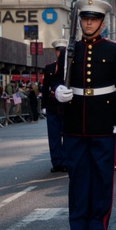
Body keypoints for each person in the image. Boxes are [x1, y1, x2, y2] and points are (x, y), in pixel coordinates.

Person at [51, 0, 116, 230]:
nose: (88, 23)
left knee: (101, 177)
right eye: (85, 19)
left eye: (93, 19)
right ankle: (77, 227)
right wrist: (57, 91)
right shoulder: (69, 51)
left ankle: (97, 225)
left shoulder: (114, 50)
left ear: (102, 23)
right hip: (75, 122)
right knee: (78, 177)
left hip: (103, 121)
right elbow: (55, 80)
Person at [43, 40, 68, 171]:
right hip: (53, 106)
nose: (60, 52)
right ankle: (56, 162)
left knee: (67, 135)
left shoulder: (70, 67)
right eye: (58, 50)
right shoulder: (49, 68)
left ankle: (65, 161)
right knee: (54, 136)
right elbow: (45, 87)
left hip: (67, 106)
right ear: (55, 51)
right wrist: (44, 105)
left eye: (62, 50)